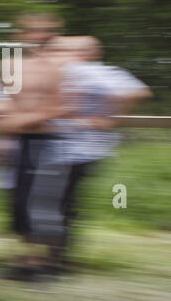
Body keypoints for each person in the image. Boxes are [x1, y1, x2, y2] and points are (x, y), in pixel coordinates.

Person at [28, 35, 152, 272]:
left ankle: (52, 259)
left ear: (86, 52)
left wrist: (105, 118)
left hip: (73, 148)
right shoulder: (102, 71)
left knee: (54, 203)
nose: (62, 53)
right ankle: (56, 257)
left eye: (68, 49)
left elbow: (133, 93)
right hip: (83, 149)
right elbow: (137, 91)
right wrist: (109, 117)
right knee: (64, 203)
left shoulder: (84, 70)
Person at [0, 13, 67, 279]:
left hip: (44, 141)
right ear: (21, 34)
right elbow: (6, 103)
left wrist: (20, 122)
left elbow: (60, 107)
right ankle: (26, 258)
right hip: (17, 141)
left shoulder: (58, 67)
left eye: (44, 31)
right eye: (32, 31)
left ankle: (41, 262)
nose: (38, 36)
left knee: (40, 201)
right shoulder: (9, 64)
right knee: (17, 200)